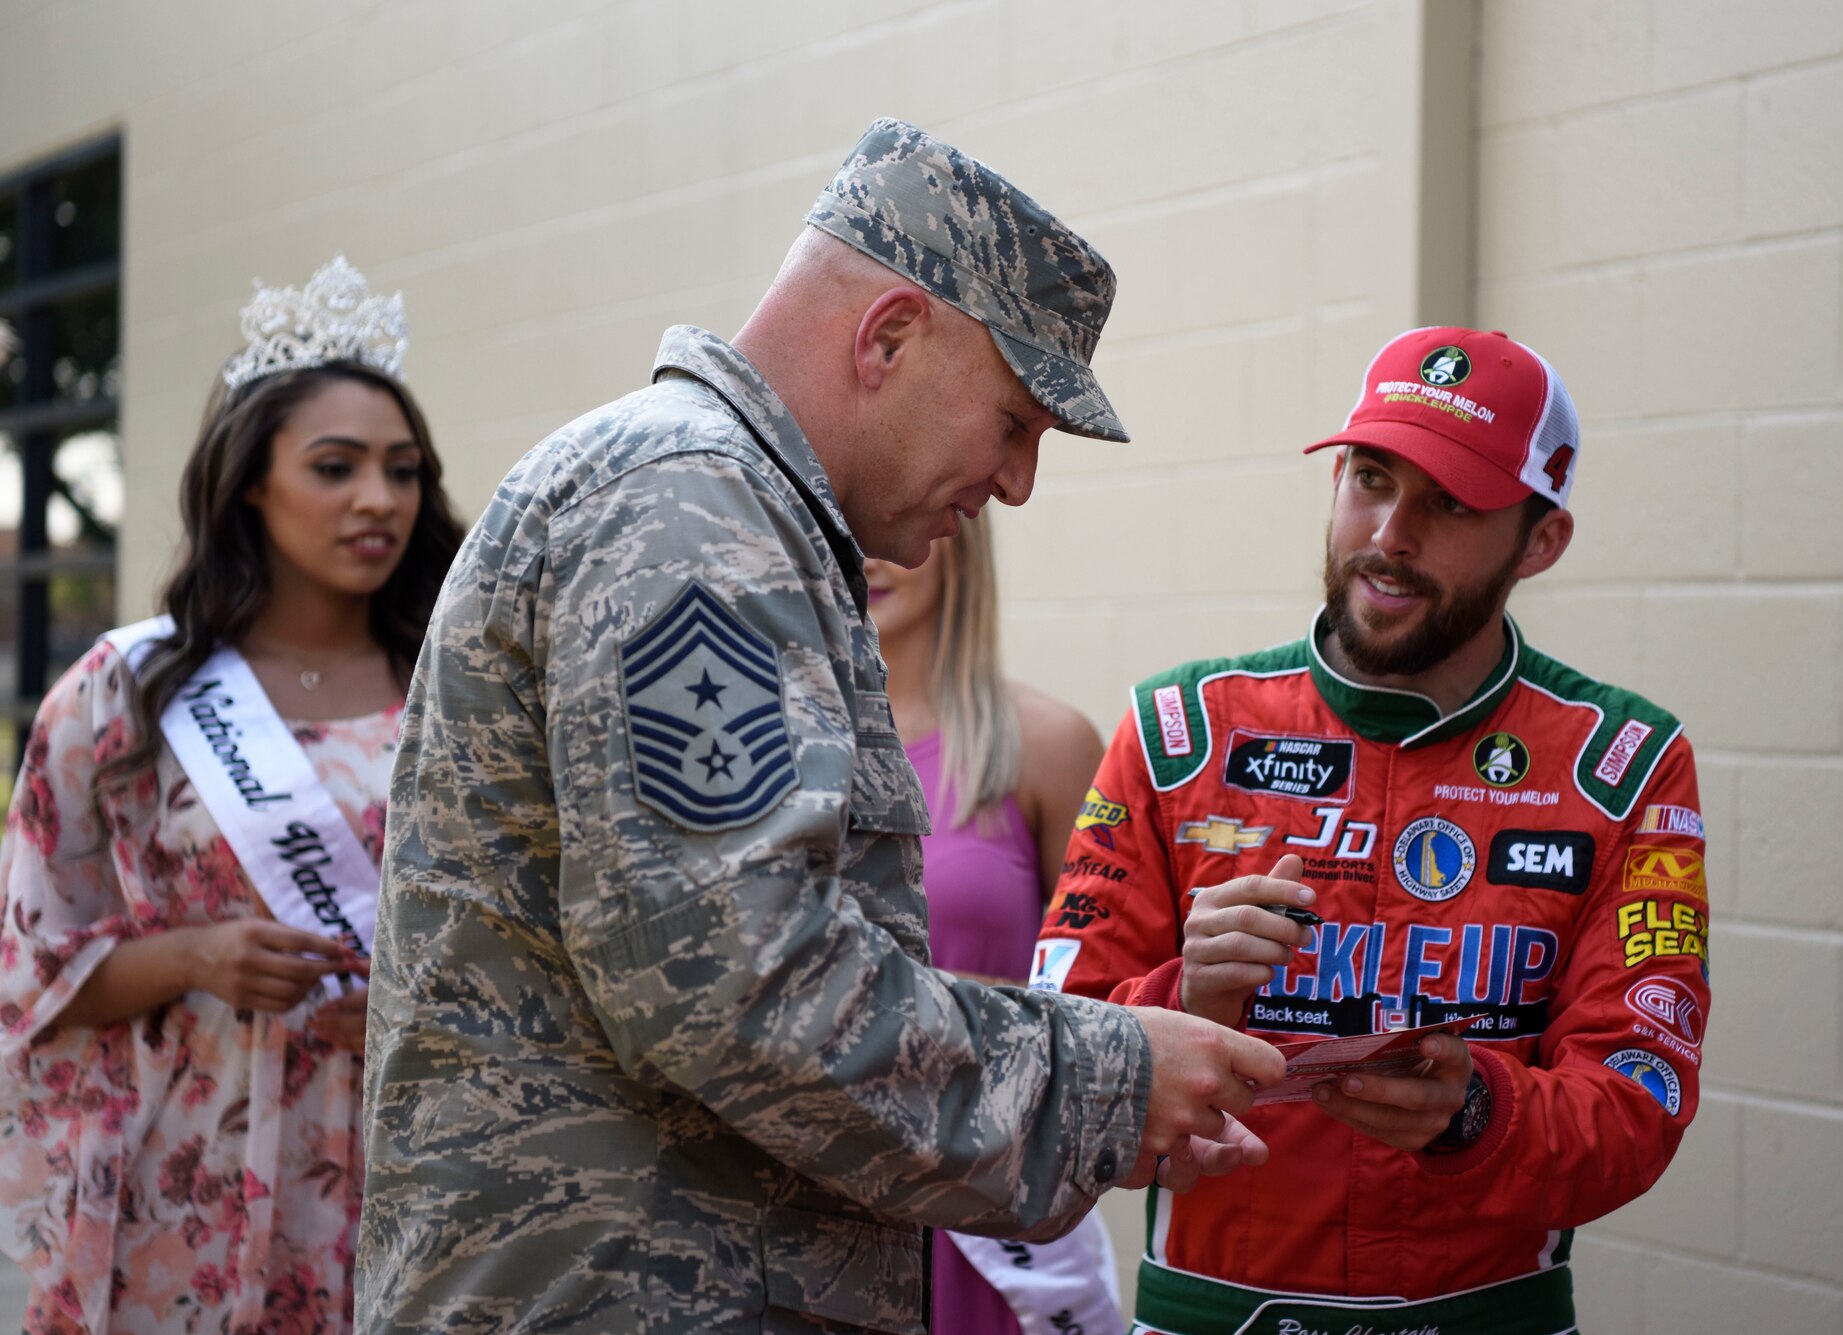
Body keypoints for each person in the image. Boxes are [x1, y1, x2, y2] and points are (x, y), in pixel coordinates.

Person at [356, 118, 1284, 1334]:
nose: (1016, 484)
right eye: (1012, 423)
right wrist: (1106, 1082)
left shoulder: (726, 507)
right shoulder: (691, 511)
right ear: (889, 334)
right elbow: (730, 981)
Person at [1032, 327, 1710, 1334]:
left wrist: (1474, 1112)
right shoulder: (1178, 734)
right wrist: (1189, 997)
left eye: (1451, 503)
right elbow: (1046, 1071)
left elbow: (1636, 1102)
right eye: (1368, 477)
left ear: (1540, 540)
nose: (1390, 534)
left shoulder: (1623, 764)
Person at [0, 256, 464, 1333]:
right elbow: (27, 963)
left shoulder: (466, 687)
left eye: (402, 472)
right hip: (188, 1178)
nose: (377, 500)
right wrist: (197, 956)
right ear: (251, 478)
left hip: (418, 1162)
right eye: (336, 467)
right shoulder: (129, 693)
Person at [867, 515, 1123, 1335]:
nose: (868, 551)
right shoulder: (781, 755)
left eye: (886, 523)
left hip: (988, 1207)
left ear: (957, 536)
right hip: (828, 1192)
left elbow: (1108, 997)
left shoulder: (1046, 747)